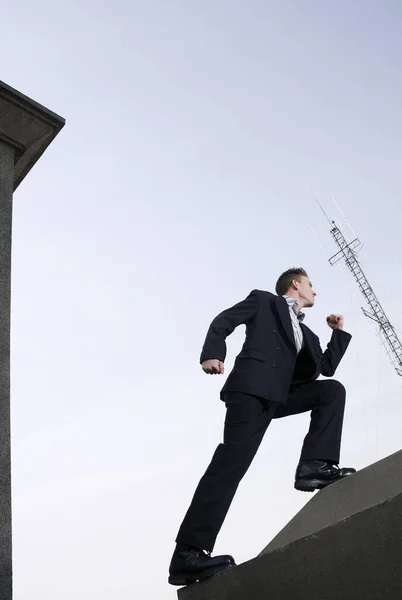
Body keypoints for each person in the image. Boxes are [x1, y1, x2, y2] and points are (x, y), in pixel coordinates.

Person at [168, 268, 355, 587]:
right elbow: (224, 320)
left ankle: (314, 466)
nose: (316, 291)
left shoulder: (306, 333)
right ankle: (187, 555)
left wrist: (337, 333)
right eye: (311, 285)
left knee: (331, 390)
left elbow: (325, 368)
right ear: (295, 284)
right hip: (251, 390)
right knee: (230, 466)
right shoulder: (264, 301)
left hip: (279, 395)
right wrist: (212, 353)